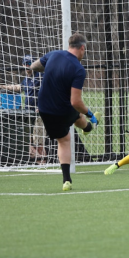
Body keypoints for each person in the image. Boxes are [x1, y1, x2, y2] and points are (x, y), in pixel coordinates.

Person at [30, 33, 101, 191]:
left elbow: (35, 65)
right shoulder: (78, 69)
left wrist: (30, 70)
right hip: (62, 108)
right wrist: (90, 114)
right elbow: (76, 102)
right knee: (74, 123)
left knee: (66, 131)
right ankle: (89, 127)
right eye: (85, 50)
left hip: (43, 108)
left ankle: (66, 179)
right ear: (82, 48)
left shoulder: (53, 54)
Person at [0, 54, 45, 161]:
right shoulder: (26, 79)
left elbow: (47, 92)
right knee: (29, 139)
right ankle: (37, 159)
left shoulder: (40, 77)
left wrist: (41, 106)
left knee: (38, 140)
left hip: (39, 113)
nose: (27, 66)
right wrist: (1, 87)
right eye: (25, 64)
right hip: (28, 113)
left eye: (29, 64)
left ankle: (42, 161)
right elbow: (18, 87)